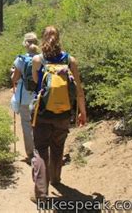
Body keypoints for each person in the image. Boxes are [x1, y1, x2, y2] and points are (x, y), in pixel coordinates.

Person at [31, 26, 87, 200]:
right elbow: (78, 90)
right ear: (59, 39)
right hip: (63, 113)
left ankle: (41, 194)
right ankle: (55, 178)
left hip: (42, 113)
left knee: (41, 150)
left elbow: (35, 81)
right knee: (57, 146)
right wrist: (82, 112)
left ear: (42, 39)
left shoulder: (37, 59)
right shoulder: (70, 60)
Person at [11, 32, 40, 160]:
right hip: (39, 96)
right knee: (38, 124)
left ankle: (30, 154)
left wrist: (13, 73)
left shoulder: (21, 59)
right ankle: (41, 150)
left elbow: (15, 79)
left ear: (25, 44)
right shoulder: (42, 58)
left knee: (27, 125)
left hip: (24, 97)